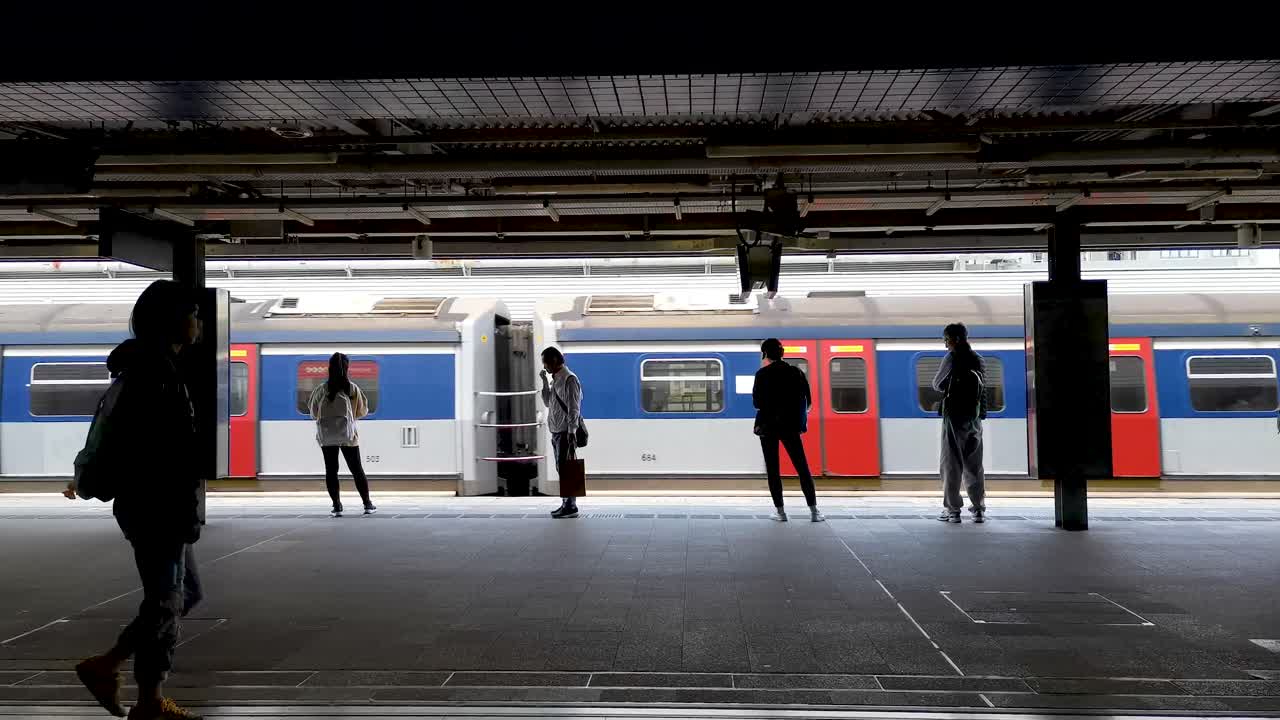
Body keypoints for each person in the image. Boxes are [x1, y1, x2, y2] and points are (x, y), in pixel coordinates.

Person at [74, 280, 205, 720]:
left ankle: (149, 699)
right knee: (167, 599)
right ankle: (108, 667)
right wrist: (184, 506)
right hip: (157, 506)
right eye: (193, 314)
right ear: (172, 320)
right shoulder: (156, 376)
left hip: (152, 503)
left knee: (181, 594)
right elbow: (163, 454)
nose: (198, 322)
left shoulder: (148, 369)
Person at [753, 339, 824, 522]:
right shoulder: (796, 372)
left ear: (765, 354)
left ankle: (781, 512)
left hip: (767, 427)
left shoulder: (762, 374)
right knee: (802, 467)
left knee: (773, 470)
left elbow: (757, 403)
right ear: (782, 353)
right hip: (790, 427)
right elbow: (808, 402)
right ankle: (814, 512)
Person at [308, 352, 375, 517]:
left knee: (331, 471)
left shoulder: (321, 389)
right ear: (347, 368)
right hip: (349, 436)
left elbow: (313, 413)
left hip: (327, 437)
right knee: (356, 469)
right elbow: (362, 411)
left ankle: (337, 506)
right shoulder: (352, 389)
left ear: (329, 368)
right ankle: (367, 504)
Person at [933, 322, 987, 524]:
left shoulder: (951, 357)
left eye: (946, 340)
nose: (945, 344)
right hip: (974, 418)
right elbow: (983, 389)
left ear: (955, 339)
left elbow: (936, 384)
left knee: (951, 464)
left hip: (954, 418)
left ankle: (953, 510)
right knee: (974, 465)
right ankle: (978, 509)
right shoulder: (978, 358)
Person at [540, 346, 582, 519]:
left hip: (565, 431)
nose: (544, 366)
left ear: (554, 361)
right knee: (562, 468)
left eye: (545, 363)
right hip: (556, 431)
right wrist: (544, 382)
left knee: (567, 469)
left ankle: (570, 506)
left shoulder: (569, 379)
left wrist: (572, 431)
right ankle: (566, 503)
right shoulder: (555, 380)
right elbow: (547, 402)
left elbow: (574, 408)